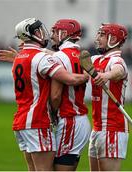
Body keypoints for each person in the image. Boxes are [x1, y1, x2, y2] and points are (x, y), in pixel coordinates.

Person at [0, 18, 88, 171]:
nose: (46, 34)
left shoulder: (20, 58)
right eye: (39, 30)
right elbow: (70, 79)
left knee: (33, 169)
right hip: (38, 120)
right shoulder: (42, 59)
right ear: (33, 34)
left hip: (21, 122)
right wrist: (87, 76)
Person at [50, 19, 91, 171]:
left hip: (69, 120)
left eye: (55, 32)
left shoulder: (59, 57)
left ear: (64, 34)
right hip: (79, 119)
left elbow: (55, 95)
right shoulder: (82, 56)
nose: (52, 36)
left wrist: (52, 113)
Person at [89, 23, 129, 171]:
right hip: (98, 128)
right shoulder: (96, 59)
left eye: (101, 35)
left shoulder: (116, 61)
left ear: (113, 39)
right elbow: (65, 57)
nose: (97, 38)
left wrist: (107, 75)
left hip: (112, 127)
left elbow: (118, 71)